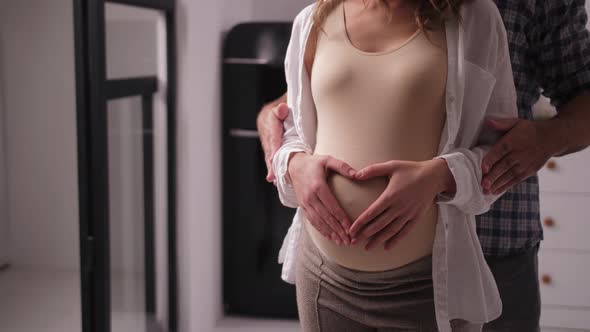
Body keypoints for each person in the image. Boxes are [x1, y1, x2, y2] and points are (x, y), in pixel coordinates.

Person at [257, 0, 590, 331]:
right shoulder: (319, 16)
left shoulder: (481, 15)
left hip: (487, 252)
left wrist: (545, 139)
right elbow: (306, 106)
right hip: (326, 275)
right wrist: (289, 152)